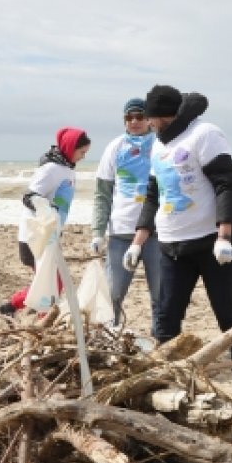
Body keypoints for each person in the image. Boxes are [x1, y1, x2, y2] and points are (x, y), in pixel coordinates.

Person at [128, 85, 232, 389]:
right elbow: (152, 194)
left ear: (170, 115)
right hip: (170, 244)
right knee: (165, 318)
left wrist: (225, 235)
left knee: (227, 315)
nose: (150, 124)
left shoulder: (205, 134)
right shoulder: (157, 144)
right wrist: (138, 241)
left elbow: (226, 184)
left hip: (211, 244)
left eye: (154, 119)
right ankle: (167, 381)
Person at [1, 127, 91, 315]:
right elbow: (29, 197)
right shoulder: (51, 169)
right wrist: (48, 215)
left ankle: (15, 307)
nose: (83, 157)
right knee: (52, 284)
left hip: (50, 236)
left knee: (47, 282)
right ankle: (32, 315)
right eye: (82, 152)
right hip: (35, 236)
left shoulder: (68, 170)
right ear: (70, 147)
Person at [90, 98, 161, 329]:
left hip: (158, 233)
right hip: (121, 232)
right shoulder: (115, 147)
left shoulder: (161, 145)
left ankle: (162, 341)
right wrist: (97, 232)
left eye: (140, 116)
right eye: (129, 117)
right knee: (114, 294)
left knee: (161, 295)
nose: (134, 121)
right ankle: (110, 338)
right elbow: (103, 193)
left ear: (149, 119)